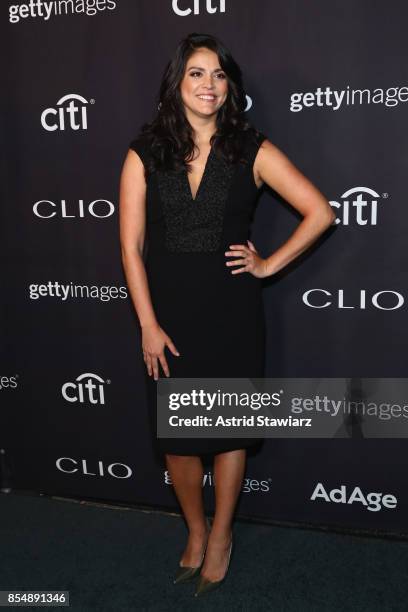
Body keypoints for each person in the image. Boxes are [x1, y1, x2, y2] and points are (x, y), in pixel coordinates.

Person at [119, 32, 335, 597]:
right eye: (196, 72)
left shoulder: (251, 150)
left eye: (218, 74)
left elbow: (320, 212)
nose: (208, 84)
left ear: (229, 86)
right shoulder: (144, 153)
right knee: (180, 440)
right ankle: (193, 529)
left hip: (232, 315)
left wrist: (268, 265)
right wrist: (147, 323)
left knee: (228, 432)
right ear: (177, 82)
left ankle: (220, 536)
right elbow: (130, 247)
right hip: (168, 319)